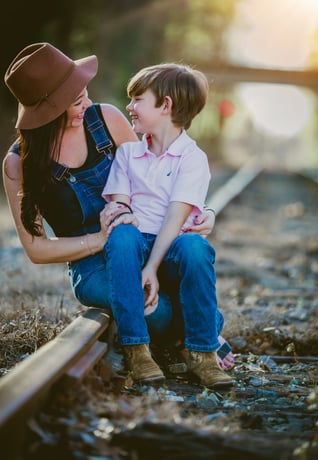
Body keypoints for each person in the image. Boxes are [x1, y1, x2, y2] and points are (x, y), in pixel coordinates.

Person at [2, 42, 221, 386]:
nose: (87, 104)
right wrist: (98, 238)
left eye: (85, 94)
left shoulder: (105, 119)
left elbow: (157, 178)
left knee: (190, 260)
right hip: (91, 264)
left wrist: (203, 211)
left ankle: (203, 343)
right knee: (158, 311)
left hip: (142, 241)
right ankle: (192, 335)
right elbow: (36, 249)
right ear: (50, 112)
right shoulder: (19, 165)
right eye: (76, 102)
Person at [101, 63, 233, 388]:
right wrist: (118, 214)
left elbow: (176, 218)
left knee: (196, 247)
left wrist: (151, 267)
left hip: (171, 247)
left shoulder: (192, 157)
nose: (129, 107)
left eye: (137, 99)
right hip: (134, 243)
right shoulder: (128, 153)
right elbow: (121, 206)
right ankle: (136, 350)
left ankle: (203, 353)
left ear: (166, 105)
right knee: (121, 236)